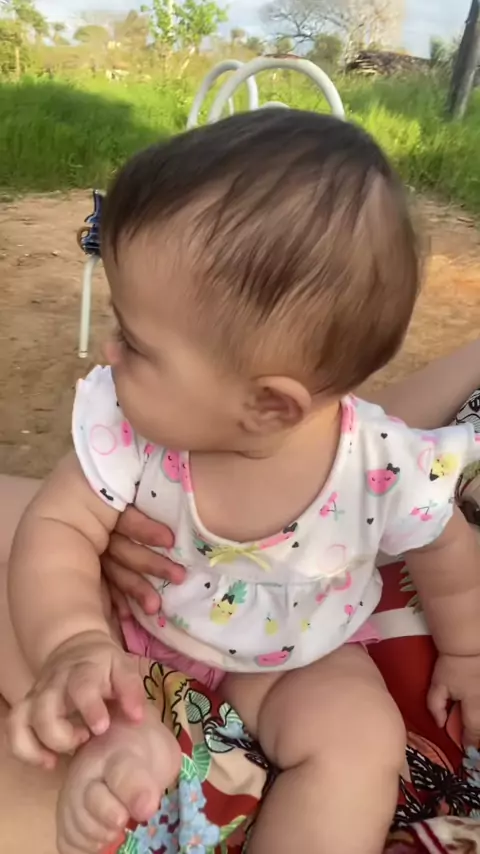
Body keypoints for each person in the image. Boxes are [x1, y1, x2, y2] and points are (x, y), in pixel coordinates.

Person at [5, 110, 480, 854]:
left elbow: (444, 546)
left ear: (269, 406)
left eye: (135, 342)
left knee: (360, 740)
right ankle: (122, 735)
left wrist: (468, 651)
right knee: (28, 582)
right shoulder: (129, 429)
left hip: (296, 654)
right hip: (132, 624)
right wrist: (74, 643)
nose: (109, 352)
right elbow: (58, 528)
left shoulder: (381, 464)